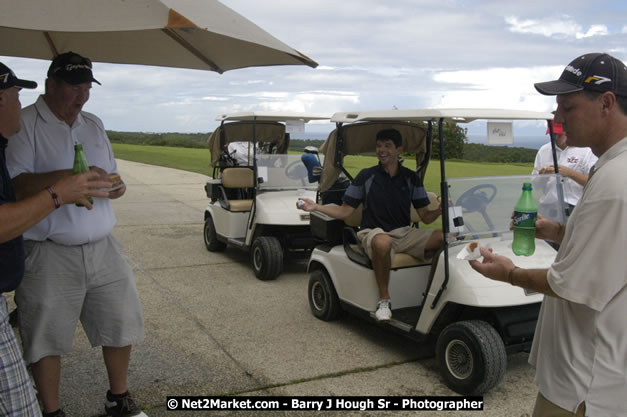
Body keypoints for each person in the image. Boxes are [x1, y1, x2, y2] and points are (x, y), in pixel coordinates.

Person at [470, 52, 627, 417]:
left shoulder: (613, 181)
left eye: (567, 108)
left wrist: (508, 273)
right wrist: (556, 229)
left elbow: (569, 283)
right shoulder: (614, 167)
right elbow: (610, 243)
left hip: (585, 382)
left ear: (606, 103)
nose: (557, 119)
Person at [6, 52, 147, 417]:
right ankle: (51, 411)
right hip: (48, 250)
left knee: (121, 322)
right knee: (45, 337)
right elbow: (17, 185)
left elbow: (113, 177)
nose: (82, 96)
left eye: (87, 87)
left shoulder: (94, 124)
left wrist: (115, 186)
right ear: (52, 84)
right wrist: (66, 179)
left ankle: (118, 398)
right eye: (74, 87)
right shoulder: (23, 123)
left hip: (103, 246)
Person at [297, 128, 443, 321]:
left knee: (444, 239)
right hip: (372, 232)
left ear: (399, 150)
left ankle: (431, 295)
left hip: (403, 233)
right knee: (383, 242)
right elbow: (345, 212)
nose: (382, 150)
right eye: (379, 146)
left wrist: (441, 210)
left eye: (387, 146)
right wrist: (316, 207)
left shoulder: (411, 178)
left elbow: (425, 216)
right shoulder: (367, 176)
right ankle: (384, 300)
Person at [532, 120, 597, 220]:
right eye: (553, 134)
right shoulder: (544, 150)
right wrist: (543, 176)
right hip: (547, 208)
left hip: (575, 208)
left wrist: (570, 173)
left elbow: (594, 183)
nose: (556, 137)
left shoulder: (586, 150)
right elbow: (535, 185)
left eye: (559, 134)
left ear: (568, 130)